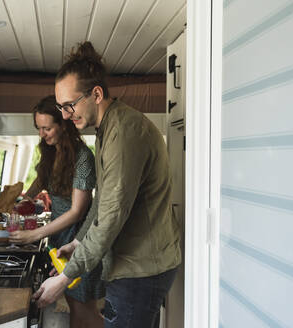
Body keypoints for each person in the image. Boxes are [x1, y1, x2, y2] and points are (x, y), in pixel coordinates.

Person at [32, 42, 182, 328]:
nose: (65, 115)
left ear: (96, 94)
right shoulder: (107, 128)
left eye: (69, 105)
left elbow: (111, 217)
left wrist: (64, 279)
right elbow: (102, 202)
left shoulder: (124, 134)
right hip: (133, 266)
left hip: (142, 269)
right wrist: (77, 242)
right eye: (61, 107)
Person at [9, 95, 105, 328]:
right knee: (74, 303)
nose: (42, 134)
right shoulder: (51, 150)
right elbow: (41, 179)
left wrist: (34, 235)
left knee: (84, 308)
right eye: (38, 128)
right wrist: (25, 199)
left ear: (64, 125)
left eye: (47, 128)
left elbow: (76, 211)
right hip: (59, 234)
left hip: (79, 236)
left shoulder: (83, 157)